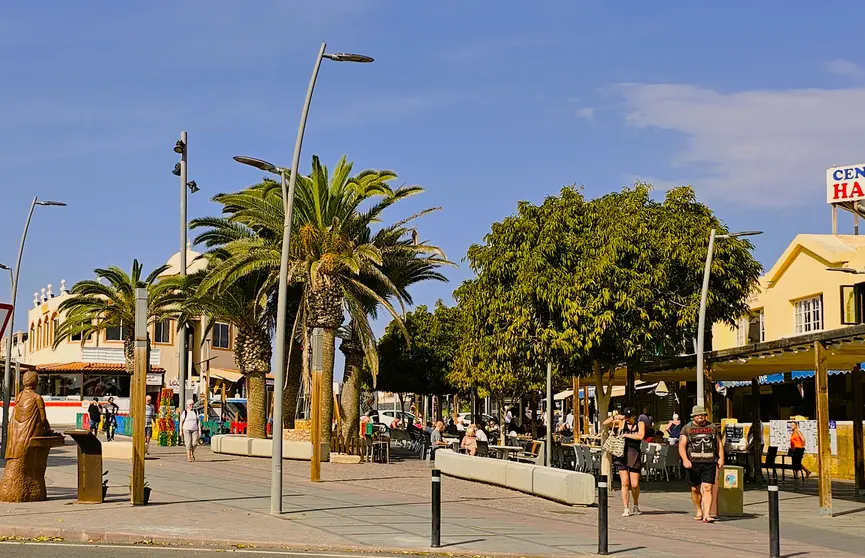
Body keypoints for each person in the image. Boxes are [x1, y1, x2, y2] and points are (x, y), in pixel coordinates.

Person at [679, 405, 724, 523]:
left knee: (708, 488)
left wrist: (721, 458)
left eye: (703, 414)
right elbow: (682, 445)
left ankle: (707, 514)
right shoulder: (687, 428)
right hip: (693, 463)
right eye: (698, 415)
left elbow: (718, 443)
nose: (701, 416)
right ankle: (699, 510)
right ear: (693, 416)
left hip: (709, 461)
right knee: (695, 488)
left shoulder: (712, 427)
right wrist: (685, 459)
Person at [604, 406, 645, 517]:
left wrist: (627, 435)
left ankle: (636, 504)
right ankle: (626, 508)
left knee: (635, 484)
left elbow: (640, 436)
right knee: (625, 482)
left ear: (634, 416)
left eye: (629, 417)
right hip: (621, 453)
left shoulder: (640, 424)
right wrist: (614, 417)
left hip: (634, 453)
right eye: (626, 417)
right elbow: (605, 423)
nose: (627, 419)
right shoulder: (621, 422)